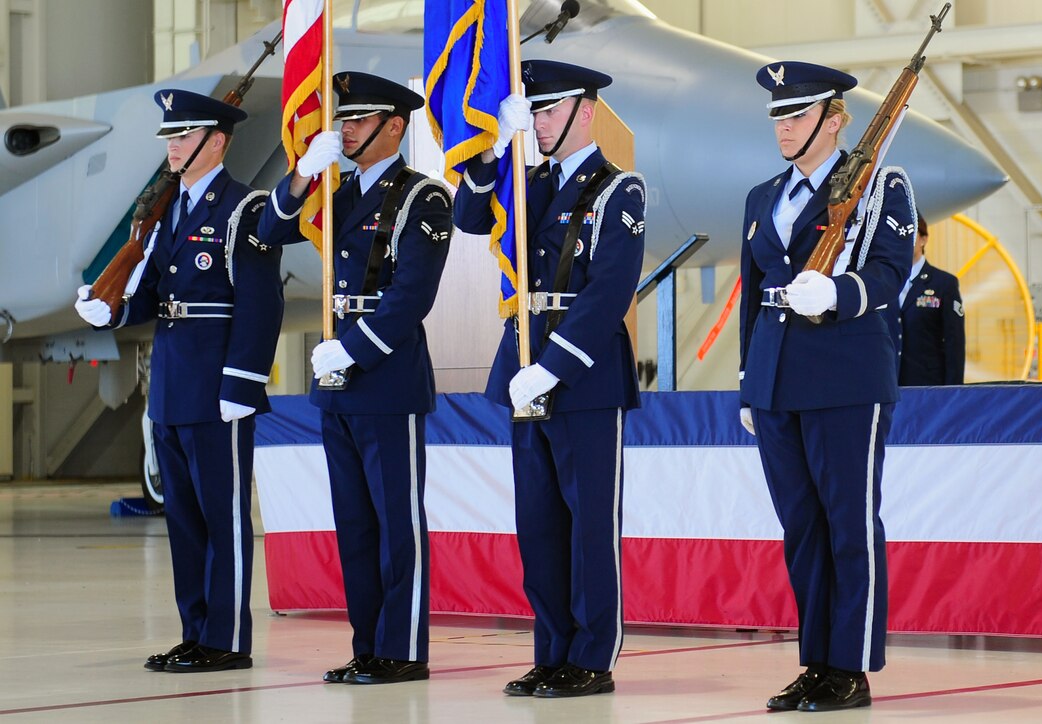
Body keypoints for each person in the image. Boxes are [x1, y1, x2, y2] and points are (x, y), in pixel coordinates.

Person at [453, 60, 645, 698]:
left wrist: (551, 367)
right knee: (537, 523)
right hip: (522, 363)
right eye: (532, 112)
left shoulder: (620, 191)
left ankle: (592, 656)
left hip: (579, 374)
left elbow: (608, 292)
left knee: (588, 523)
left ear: (585, 112)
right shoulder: (526, 183)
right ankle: (552, 649)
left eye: (549, 110)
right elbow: (471, 218)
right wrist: (487, 153)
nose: (538, 123)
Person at [74, 89, 284, 672]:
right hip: (171, 384)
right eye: (170, 137)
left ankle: (226, 640)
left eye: (184, 136)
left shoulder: (242, 209)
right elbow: (149, 293)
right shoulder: (171, 212)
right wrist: (110, 310)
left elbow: (261, 304)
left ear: (217, 142)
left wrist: (242, 384)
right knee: (186, 525)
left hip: (218, 388)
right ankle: (195, 632)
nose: (173, 147)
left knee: (224, 520)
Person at [257, 72, 451, 685]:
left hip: (384, 375)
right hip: (338, 379)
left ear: (394, 126)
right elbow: (269, 230)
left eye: (360, 120)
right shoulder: (335, 193)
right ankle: (369, 644)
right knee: (356, 525)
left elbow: (410, 296)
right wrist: (300, 175)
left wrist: (353, 352)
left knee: (397, 524)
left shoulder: (424, 198)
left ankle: (402, 650)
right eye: (346, 118)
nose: (345, 128)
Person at [737, 62, 915, 711]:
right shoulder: (764, 197)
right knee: (801, 527)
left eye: (799, 115)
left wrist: (839, 292)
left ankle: (852, 665)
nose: (785, 128)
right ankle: (817, 661)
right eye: (779, 117)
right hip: (776, 377)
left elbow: (892, 272)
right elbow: (751, 296)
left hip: (846, 373)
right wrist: (748, 382)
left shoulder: (879, 185)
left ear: (834, 120)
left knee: (848, 524)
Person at [887, 214, 966, 385]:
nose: (905, 240)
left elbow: (955, 343)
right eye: (900, 234)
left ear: (923, 239)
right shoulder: (885, 281)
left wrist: (953, 391)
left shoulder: (944, 283)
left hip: (927, 385)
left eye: (911, 234)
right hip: (889, 384)